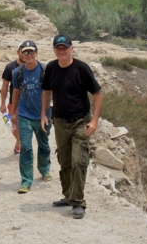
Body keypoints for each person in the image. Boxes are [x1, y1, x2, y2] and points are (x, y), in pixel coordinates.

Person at [41, 33, 103, 219]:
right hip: (59, 122)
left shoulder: (81, 68)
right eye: (58, 48)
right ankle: (68, 196)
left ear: (71, 49)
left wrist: (94, 121)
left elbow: (98, 94)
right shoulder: (51, 68)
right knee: (65, 161)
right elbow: (46, 92)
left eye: (64, 48)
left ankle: (78, 202)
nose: (61, 51)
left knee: (78, 161)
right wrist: (44, 114)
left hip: (80, 122)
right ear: (54, 50)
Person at [10, 40, 52, 194]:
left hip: (43, 115)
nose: (28, 55)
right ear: (21, 53)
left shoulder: (45, 70)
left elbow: (51, 92)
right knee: (26, 147)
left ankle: (44, 169)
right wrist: (13, 113)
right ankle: (26, 180)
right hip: (24, 115)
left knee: (44, 145)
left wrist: (51, 113)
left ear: (36, 52)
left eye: (31, 51)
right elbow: (16, 92)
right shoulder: (17, 72)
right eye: (25, 52)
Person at [0, 43, 27, 154]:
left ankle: (23, 144)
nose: (25, 54)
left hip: (28, 103)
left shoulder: (34, 66)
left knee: (26, 127)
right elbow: (5, 85)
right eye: (23, 52)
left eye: (28, 52)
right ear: (18, 52)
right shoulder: (10, 67)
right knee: (14, 128)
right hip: (14, 103)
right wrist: (2, 103)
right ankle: (19, 141)